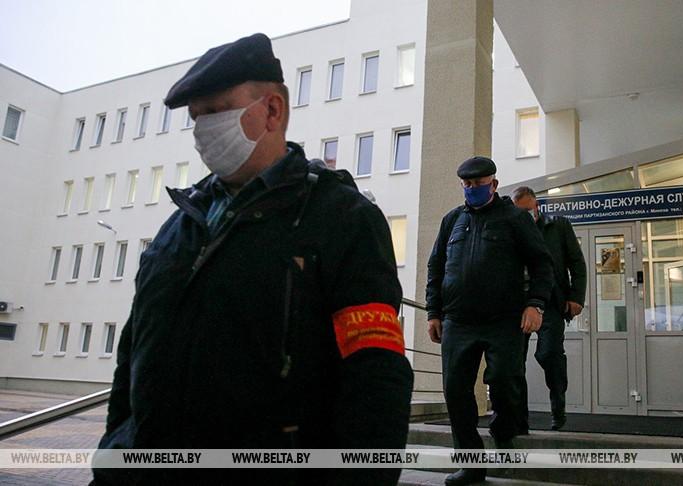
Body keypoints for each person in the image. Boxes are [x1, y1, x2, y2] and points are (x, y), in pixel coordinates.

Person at [91, 33, 412, 486]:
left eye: (216, 111)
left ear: (272, 110)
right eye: (196, 117)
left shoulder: (342, 219)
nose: (202, 130)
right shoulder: (177, 228)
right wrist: (113, 460)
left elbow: (375, 375)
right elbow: (132, 358)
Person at [426, 157, 554, 486]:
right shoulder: (452, 220)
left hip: (504, 320)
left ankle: (503, 429)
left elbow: (541, 265)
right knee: (456, 392)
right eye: (467, 185)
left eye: (478, 184)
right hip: (458, 321)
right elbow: (436, 267)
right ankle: (471, 464)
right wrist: (433, 312)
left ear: (493, 185)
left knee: (505, 382)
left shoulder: (515, 219)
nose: (471, 189)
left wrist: (535, 305)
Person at [511, 186, 587, 432]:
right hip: (517, 305)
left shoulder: (558, 226)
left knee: (549, 354)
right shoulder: (510, 229)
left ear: (537, 207)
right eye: (519, 212)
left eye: (528, 210)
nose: (524, 216)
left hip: (550, 303)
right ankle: (519, 418)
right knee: (514, 363)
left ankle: (558, 408)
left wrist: (576, 297)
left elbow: (577, 263)